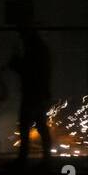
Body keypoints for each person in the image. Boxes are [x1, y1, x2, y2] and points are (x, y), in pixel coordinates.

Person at [8, 19, 53, 166]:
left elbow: (29, 71)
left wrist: (16, 64)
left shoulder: (34, 48)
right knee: (39, 125)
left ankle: (24, 158)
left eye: (21, 34)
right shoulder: (38, 46)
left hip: (33, 92)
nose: (20, 37)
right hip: (38, 91)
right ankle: (45, 158)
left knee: (26, 125)